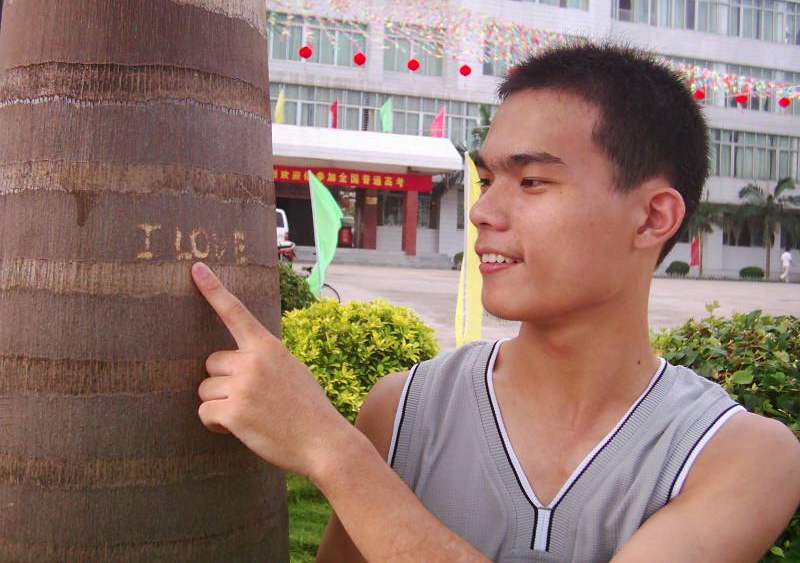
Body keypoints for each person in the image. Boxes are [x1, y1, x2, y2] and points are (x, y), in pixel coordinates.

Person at [191, 42, 800, 563]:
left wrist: (334, 452)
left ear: (651, 217)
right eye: (487, 179)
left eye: (531, 181)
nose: (482, 211)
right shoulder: (404, 410)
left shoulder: (738, 455)